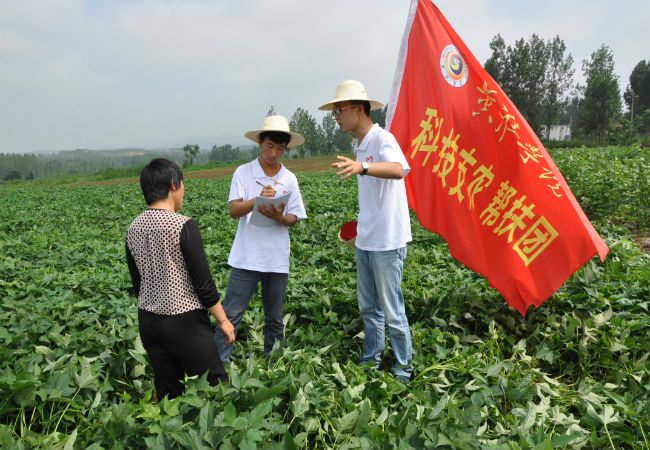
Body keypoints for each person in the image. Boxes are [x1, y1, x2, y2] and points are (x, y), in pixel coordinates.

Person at [320, 80, 413, 383]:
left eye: (339, 110)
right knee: (369, 308)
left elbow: (399, 169)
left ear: (358, 110)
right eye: (334, 111)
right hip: (367, 240)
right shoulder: (359, 144)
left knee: (392, 309)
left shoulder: (381, 138)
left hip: (388, 241)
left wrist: (362, 167)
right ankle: (371, 359)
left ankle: (403, 369)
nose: (336, 116)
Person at [126, 158, 235, 400]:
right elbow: (203, 283)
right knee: (213, 388)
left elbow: (138, 282)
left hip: (148, 321)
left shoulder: (133, 227)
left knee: (169, 393)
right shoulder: (182, 225)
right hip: (184, 320)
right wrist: (223, 321)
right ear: (174, 185)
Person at [215, 115, 307, 362]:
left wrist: (279, 215)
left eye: (280, 148)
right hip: (247, 257)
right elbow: (234, 210)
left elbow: (295, 217)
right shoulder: (243, 172)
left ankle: (273, 365)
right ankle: (218, 368)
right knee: (231, 315)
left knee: (275, 318)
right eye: (270, 146)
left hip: (276, 258)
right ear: (259, 142)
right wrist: (257, 200)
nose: (274, 153)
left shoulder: (289, 178)